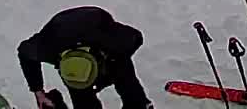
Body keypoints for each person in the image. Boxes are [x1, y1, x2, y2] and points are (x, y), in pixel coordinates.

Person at [16, 6, 151, 109]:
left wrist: (113, 62)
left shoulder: (112, 40)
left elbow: (137, 37)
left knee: (124, 77)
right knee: (83, 100)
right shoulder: (47, 48)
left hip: (99, 34)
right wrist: (38, 91)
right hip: (60, 32)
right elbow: (24, 53)